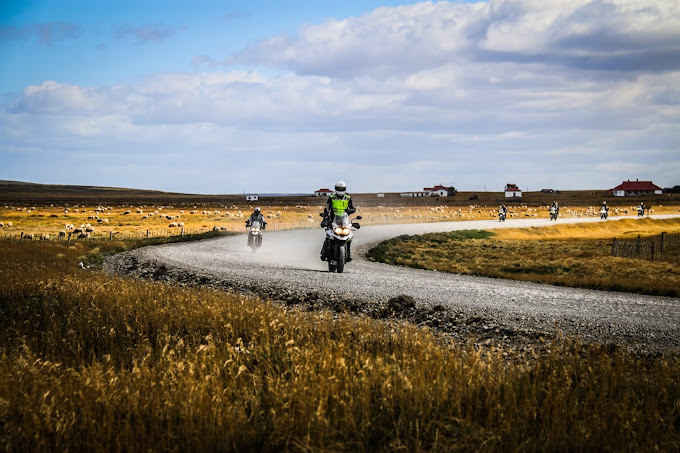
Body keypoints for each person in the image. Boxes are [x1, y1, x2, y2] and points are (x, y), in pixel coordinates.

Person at [320, 181, 356, 261]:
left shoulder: (347, 197)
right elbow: (327, 207)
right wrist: (325, 216)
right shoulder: (332, 197)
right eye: (339, 188)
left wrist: (352, 210)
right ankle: (324, 252)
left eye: (342, 188)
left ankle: (348, 254)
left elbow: (351, 207)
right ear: (336, 189)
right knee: (329, 234)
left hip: (344, 219)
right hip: (333, 218)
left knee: (349, 237)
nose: (340, 190)